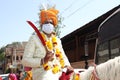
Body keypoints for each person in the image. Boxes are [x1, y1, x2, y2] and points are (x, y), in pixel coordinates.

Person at [22, 7, 73, 80]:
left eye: (51, 22)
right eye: (46, 22)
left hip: (59, 71)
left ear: (54, 25)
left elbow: (63, 56)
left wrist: (67, 65)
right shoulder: (34, 39)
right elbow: (25, 61)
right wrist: (43, 61)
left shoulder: (57, 40)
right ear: (42, 25)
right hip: (42, 74)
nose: (49, 24)